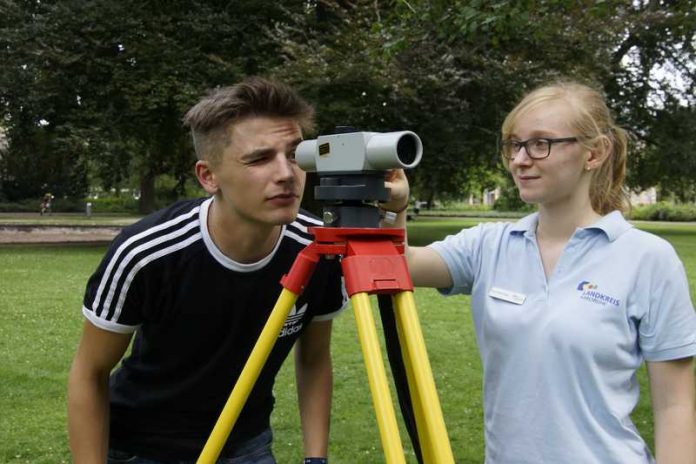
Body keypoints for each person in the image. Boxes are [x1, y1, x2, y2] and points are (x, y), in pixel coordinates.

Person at [380, 80, 696, 463]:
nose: (520, 159)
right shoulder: (488, 245)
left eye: (540, 143)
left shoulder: (649, 259)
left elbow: (676, 405)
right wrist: (392, 209)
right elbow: (397, 266)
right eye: (514, 144)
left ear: (594, 153)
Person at [68, 77, 347, 464]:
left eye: (295, 154)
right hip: (141, 447)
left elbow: (315, 359)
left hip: (245, 444)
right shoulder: (147, 252)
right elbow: (89, 372)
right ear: (207, 176)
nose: (286, 173)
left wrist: (315, 459)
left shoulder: (319, 249)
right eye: (259, 158)